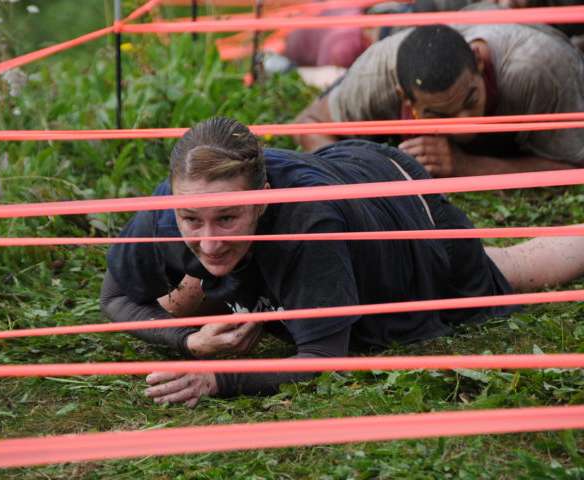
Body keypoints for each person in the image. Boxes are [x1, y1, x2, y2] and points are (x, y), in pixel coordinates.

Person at [101, 117, 584, 407]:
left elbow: (324, 357)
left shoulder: (309, 228)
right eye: (191, 219)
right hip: (340, 168)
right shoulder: (167, 212)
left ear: (263, 198)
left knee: (510, 269)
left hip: (404, 213)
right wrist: (187, 341)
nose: (206, 241)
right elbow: (117, 298)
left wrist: (217, 378)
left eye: (227, 217)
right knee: (192, 293)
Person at [294, 23, 584, 177]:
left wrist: (467, 166)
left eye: (470, 100)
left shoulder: (538, 70)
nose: (465, 126)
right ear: (406, 100)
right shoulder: (376, 77)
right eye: (440, 114)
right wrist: (363, 175)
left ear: (480, 63)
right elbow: (310, 123)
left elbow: (573, 169)